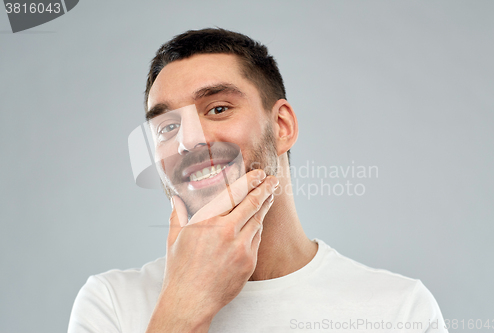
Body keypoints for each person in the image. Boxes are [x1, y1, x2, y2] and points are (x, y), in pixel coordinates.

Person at [68, 28, 448, 333]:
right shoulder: (112, 304)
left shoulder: (400, 310)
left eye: (218, 108)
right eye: (168, 126)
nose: (189, 141)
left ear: (281, 126)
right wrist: (182, 306)